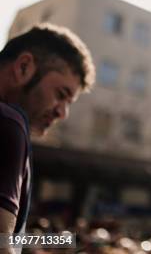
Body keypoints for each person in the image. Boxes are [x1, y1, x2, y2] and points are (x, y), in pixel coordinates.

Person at [0, 24, 95, 252]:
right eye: (61, 95)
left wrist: (61, 240)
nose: (62, 113)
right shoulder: (9, 123)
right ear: (24, 67)